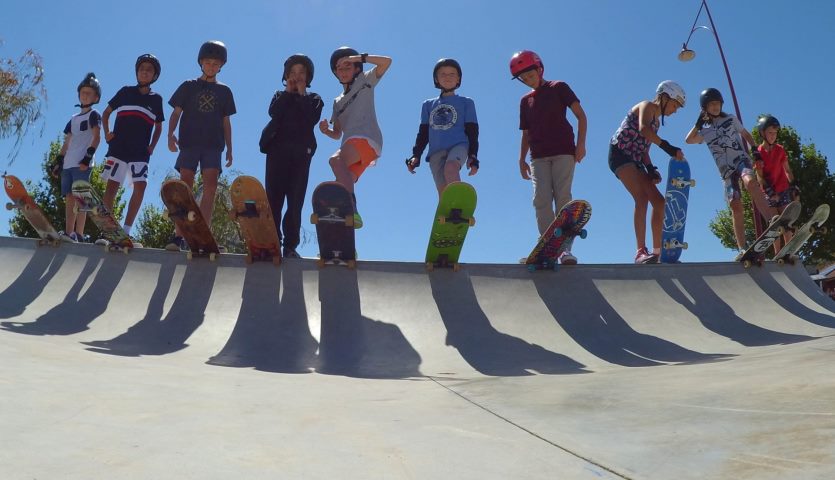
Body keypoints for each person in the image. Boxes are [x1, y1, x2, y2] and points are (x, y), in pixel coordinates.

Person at [510, 50, 587, 265]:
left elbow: (581, 115)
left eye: (529, 73)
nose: (527, 79)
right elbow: (525, 133)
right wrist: (521, 159)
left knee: (563, 198)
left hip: (563, 151)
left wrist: (581, 144)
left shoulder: (558, 87)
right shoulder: (525, 101)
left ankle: (564, 250)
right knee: (541, 199)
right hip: (538, 157)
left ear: (539, 68)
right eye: (522, 78)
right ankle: (547, 245)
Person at [685, 88, 777, 258]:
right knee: (735, 204)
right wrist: (698, 123)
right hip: (726, 172)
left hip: (741, 161)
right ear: (705, 107)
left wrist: (755, 151)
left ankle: (771, 220)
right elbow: (689, 140)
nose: (715, 107)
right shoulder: (704, 131)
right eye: (711, 104)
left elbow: (746, 134)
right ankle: (742, 248)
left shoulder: (730, 119)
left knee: (750, 182)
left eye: (717, 103)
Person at [167, 40, 236, 250]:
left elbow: (226, 121)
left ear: (221, 66)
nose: (211, 67)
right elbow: (176, 112)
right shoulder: (188, 86)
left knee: (211, 187)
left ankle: (204, 234)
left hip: (213, 145)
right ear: (201, 63)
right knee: (184, 186)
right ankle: (178, 235)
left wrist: (230, 149)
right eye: (208, 62)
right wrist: (170, 134)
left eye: (216, 64)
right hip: (189, 143)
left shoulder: (225, 91)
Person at [609, 81, 686, 264]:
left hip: (636, 160)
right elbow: (643, 129)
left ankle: (657, 252)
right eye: (675, 105)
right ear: (665, 97)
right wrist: (668, 148)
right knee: (641, 198)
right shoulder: (646, 106)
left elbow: (644, 150)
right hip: (619, 155)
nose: (675, 111)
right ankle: (640, 252)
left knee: (660, 203)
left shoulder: (657, 124)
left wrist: (651, 169)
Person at [318, 47, 392, 228]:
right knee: (339, 187)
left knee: (335, 161)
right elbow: (338, 134)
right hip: (356, 148)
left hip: (367, 138)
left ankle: (351, 208)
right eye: (339, 68)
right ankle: (345, 232)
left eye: (347, 66)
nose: (343, 71)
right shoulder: (337, 102)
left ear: (356, 68)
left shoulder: (365, 80)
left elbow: (387, 61)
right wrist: (326, 131)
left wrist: (360, 58)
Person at [98, 54, 165, 246]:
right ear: (137, 71)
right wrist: (107, 133)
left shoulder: (156, 99)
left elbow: (159, 126)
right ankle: (107, 231)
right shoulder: (125, 91)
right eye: (142, 68)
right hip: (118, 147)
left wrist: (152, 146)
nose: (145, 71)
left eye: (149, 69)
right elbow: (106, 113)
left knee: (140, 186)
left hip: (140, 150)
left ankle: (126, 231)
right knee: (112, 186)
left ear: (155, 75)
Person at [262, 54, 323, 258]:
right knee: (273, 200)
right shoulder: (279, 96)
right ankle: (271, 242)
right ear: (286, 75)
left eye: (301, 73)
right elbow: (274, 113)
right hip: (276, 153)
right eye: (293, 73)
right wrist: (289, 93)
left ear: (308, 77)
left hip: (301, 156)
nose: (297, 77)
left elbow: (311, 119)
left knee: (295, 202)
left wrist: (302, 93)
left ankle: (290, 246)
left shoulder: (314, 99)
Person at [406, 58, 479, 196]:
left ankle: (460, 204)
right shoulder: (428, 105)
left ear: (458, 79)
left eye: (452, 74)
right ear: (436, 79)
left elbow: (472, 131)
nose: (447, 77)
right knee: (443, 192)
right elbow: (423, 133)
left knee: (451, 168)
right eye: (443, 74)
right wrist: (416, 154)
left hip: (459, 145)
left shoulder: (466, 103)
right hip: (435, 151)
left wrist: (473, 155)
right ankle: (448, 215)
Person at [52, 72, 102, 243]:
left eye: (89, 93)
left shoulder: (94, 115)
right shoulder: (73, 119)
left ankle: (79, 234)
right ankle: (68, 232)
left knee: (82, 198)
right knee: (69, 198)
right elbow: (67, 142)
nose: (85, 95)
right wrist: (58, 161)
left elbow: (96, 137)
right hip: (68, 163)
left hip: (82, 163)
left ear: (96, 97)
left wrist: (88, 157)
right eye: (83, 92)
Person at [754, 114, 797, 252]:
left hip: (783, 189)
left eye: (775, 133)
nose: (773, 136)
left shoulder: (780, 149)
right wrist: (770, 192)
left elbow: (787, 170)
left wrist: (794, 185)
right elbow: (759, 177)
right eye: (770, 133)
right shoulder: (759, 153)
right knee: (774, 223)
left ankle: (788, 251)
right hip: (768, 191)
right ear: (762, 133)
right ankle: (778, 253)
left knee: (786, 221)